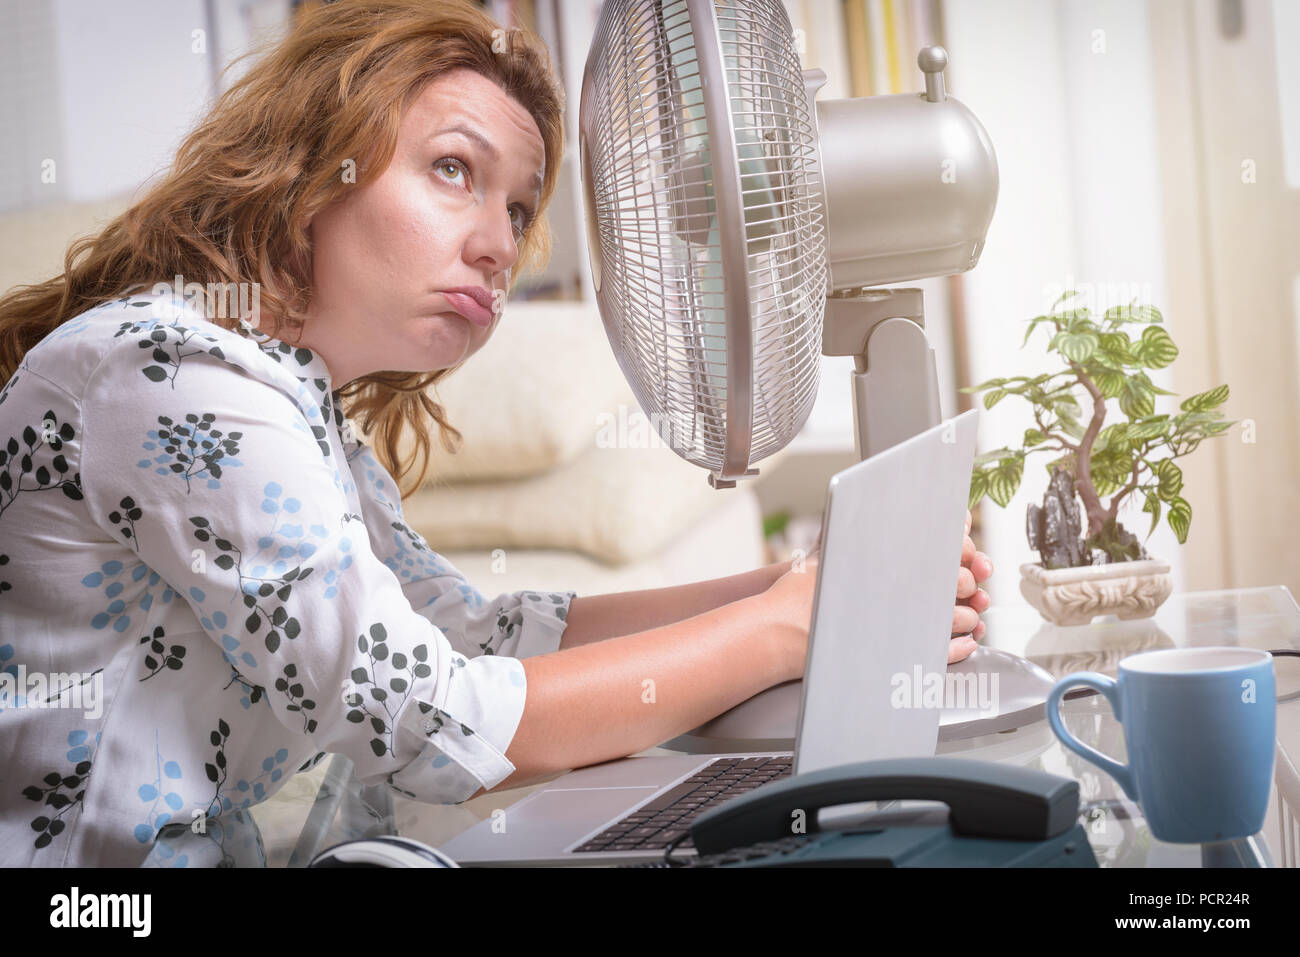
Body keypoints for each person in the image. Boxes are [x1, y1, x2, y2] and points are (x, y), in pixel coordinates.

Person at [0, 0, 991, 867]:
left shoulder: (295, 405)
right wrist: (783, 632)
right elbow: (431, 723)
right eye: (451, 170)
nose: (497, 243)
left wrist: (784, 589)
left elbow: (468, 632)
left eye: (518, 208)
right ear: (312, 164)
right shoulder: (175, 381)